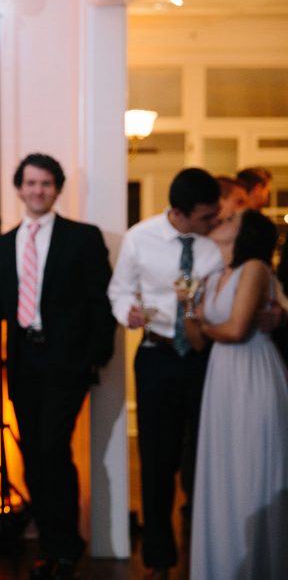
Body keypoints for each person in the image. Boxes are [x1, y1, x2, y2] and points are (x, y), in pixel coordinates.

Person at [0, 153, 116, 579]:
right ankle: (52, 543)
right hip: (24, 363)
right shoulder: (3, 244)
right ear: (19, 189)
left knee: (53, 450)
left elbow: (100, 302)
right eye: (30, 184)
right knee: (32, 453)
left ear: (57, 189)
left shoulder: (83, 237)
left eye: (46, 184)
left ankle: (65, 546)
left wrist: (95, 357)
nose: (38, 191)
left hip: (68, 364)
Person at [107, 168, 223, 577]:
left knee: (203, 456)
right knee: (156, 461)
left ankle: (207, 550)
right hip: (156, 356)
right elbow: (118, 290)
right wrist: (129, 313)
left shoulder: (217, 244)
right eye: (206, 215)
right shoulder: (140, 237)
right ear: (179, 211)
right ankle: (159, 559)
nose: (214, 221)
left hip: (207, 356)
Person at [180, 210, 288, 579]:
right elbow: (197, 342)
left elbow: (238, 329)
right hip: (221, 376)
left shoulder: (255, 268)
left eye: (229, 220)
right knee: (223, 469)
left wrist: (206, 324)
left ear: (245, 234)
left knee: (251, 467)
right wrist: (187, 308)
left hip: (252, 372)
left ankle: (257, 565)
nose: (219, 221)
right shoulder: (212, 276)